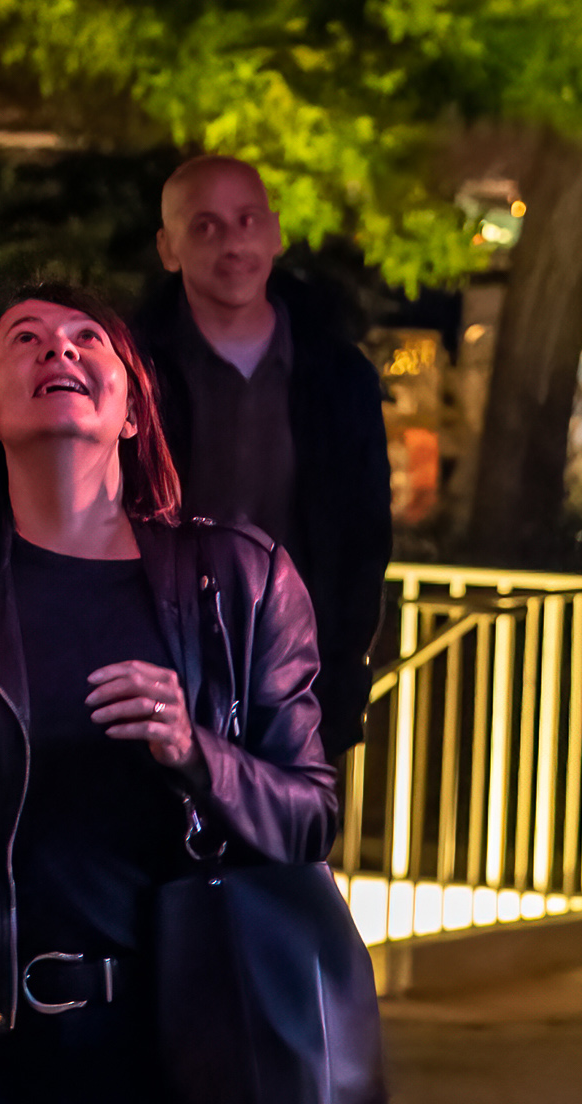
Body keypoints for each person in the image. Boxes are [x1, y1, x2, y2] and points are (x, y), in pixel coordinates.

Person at [0, 282, 337, 1104]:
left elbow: (309, 820)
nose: (60, 349)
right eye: (25, 338)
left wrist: (199, 754)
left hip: (177, 1040)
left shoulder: (237, 581)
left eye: (89, 338)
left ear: (131, 409)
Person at [132, 157, 392, 759]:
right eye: (205, 226)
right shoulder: (132, 373)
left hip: (300, 681)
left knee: (289, 851)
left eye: (248, 220)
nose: (233, 242)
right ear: (167, 248)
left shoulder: (337, 377)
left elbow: (365, 537)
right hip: (159, 673)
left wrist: (345, 669)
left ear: (275, 233)